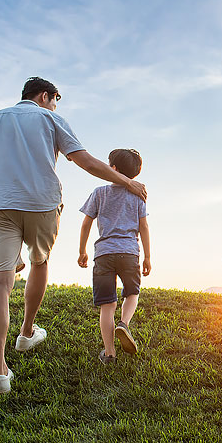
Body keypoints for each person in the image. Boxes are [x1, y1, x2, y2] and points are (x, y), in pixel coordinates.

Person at [0, 77, 147, 394]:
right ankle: (26, 333)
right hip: (41, 205)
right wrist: (128, 183)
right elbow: (87, 162)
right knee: (40, 262)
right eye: (54, 100)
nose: (54, 105)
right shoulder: (51, 119)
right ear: (45, 96)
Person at [77, 148, 152, 364]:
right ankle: (124, 324)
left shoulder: (99, 192)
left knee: (107, 305)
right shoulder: (138, 195)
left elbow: (86, 223)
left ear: (113, 169)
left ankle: (109, 353)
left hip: (104, 254)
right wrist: (147, 256)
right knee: (132, 293)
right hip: (129, 252)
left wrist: (82, 250)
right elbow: (144, 226)